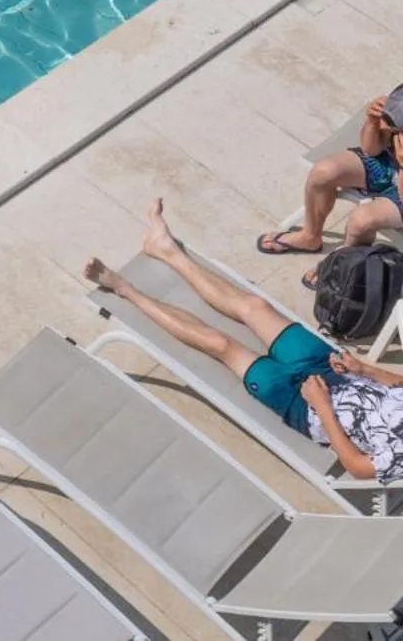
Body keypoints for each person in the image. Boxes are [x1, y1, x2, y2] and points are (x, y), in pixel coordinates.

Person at [89, 199, 403, 482]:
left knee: (221, 345)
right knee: (255, 307)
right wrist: (364, 370)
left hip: (304, 408)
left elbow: (357, 467)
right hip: (338, 372)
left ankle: (125, 289)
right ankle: (165, 248)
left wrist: (322, 407)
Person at [258, 86, 403, 287]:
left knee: (361, 220)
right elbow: (370, 150)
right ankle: (310, 236)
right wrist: (372, 121)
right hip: (388, 164)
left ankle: (343, 267)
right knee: (323, 172)